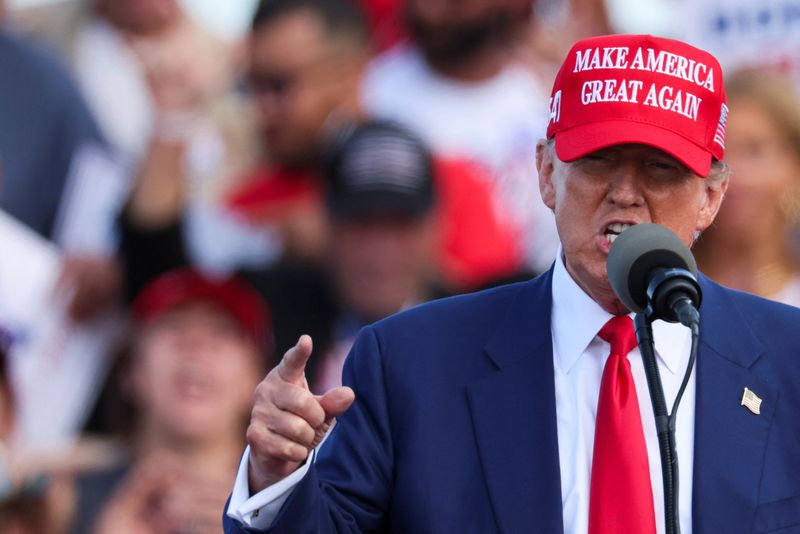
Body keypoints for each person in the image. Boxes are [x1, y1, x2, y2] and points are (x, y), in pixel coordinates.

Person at [224, 34, 800, 533]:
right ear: (547, 173)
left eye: (661, 169)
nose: (625, 193)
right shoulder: (412, 362)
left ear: (711, 198)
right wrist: (277, 478)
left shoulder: (787, 359)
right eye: (598, 161)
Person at [121, 119, 441, 394]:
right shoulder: (276, 303)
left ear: (434, 228)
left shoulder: (469, 328)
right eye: (361, 223)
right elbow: (161, 273)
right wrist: (173, 118)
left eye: (400, 225)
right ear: (325, 223)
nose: (380, 249)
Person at [69, 268, 271, 534]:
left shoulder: (296, 510)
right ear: (131, 370)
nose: (196, 344)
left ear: (256, 380)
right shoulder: (61, 501)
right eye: (174, 326)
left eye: (223, 331)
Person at [693, 68, 800, 305]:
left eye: (754, 151)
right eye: (717, 156)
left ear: (794, 162)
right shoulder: (660, 292)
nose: (732, 173)